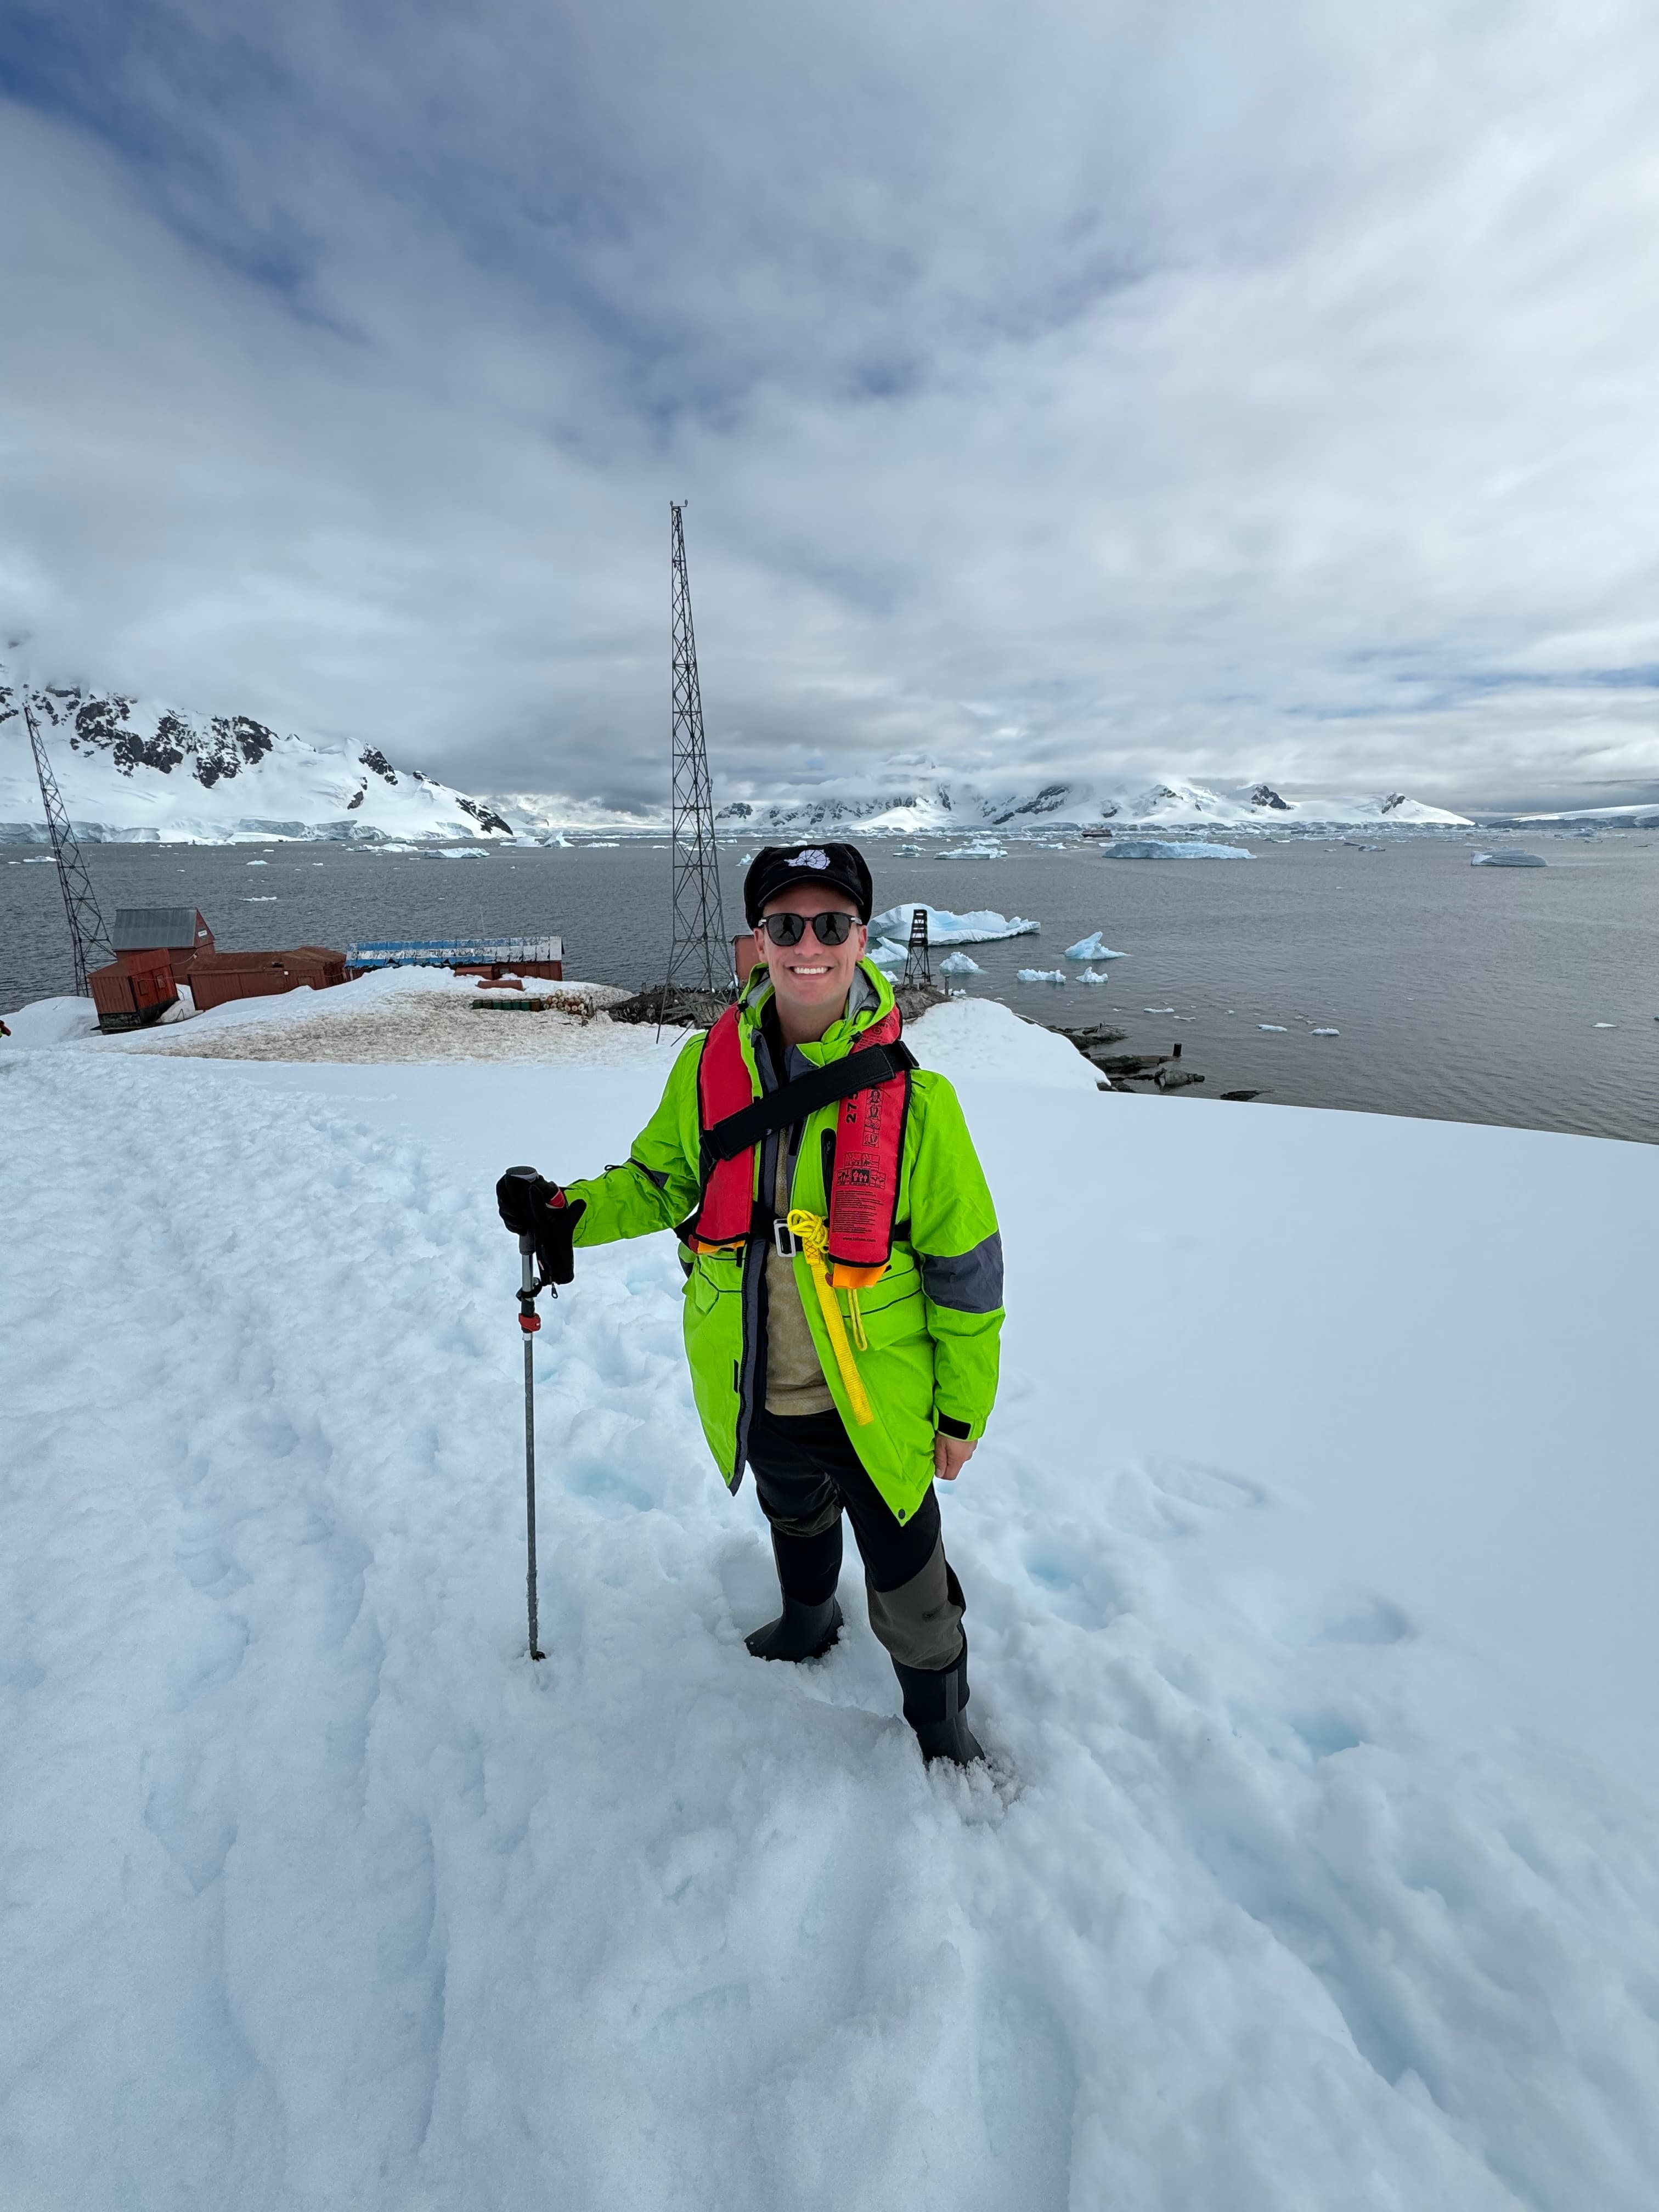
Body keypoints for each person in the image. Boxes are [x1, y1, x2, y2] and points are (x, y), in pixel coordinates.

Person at [496, 842, 1003, 1763]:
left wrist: (963, 1409)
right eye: (786, 925)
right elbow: (659, 1180)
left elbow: (966, 1273)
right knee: (793, 1516)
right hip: (754, 1380)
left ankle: (943, 1723)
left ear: (860, 940)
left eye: (831, 925)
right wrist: (566, 1213)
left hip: (876, 1403)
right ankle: (808, 1626)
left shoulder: (919, 1103)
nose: (809, 944)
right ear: (757, 943)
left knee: (910, 1580)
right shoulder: (707, 1068)